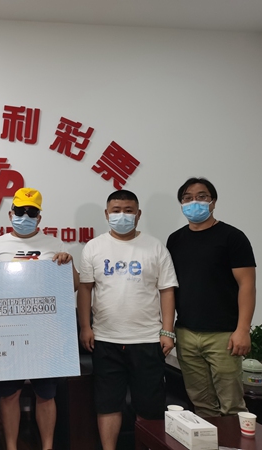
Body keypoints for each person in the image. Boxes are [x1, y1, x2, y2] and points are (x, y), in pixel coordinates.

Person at [77, 189, 177, 450]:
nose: (122, 215)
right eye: (116, 210)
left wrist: (167, 331)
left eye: (128, 210)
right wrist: (86, 327)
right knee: (107, 403)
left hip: (147, 339)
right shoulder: (94, 247)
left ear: (138, 214)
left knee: (150, 406)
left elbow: (167, 290)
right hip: (105, 339)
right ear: (106, 214)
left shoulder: (155, 246)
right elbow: (85, 289)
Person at [0, 187, 79, 450]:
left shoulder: (55, 245)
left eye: (31, 212)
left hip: (45, 333)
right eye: (20, 211)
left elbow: (73, 285)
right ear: (10, 214)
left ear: (39, 217)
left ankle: (47, 446)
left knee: (46, 394)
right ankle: (11, 446)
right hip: (7, 332)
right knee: (9, 394)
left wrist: (68, 264)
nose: (24, 217)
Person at [167, 177, 256, 417]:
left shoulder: (232, 237)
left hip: (224, 335)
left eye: (201, 197)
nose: (194, 202)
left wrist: (243, 330)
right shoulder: (175, 240)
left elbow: (247, 285)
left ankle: (236, 438)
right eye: (187, 198)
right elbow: (169, 287)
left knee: (232, 405)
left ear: (213, 202)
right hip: (186, 333)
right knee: (202, 404)